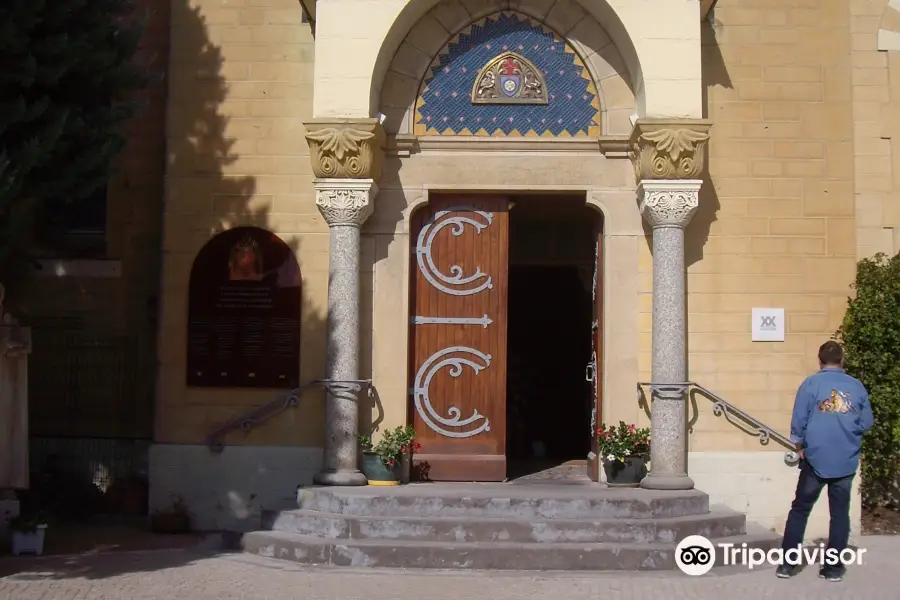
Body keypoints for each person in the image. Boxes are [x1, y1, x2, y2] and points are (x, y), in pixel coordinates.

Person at [776, 341, 873, 582]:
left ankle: (787, 565)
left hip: (814, 458)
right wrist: (850, 432)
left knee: (800, 510)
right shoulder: (856, 386)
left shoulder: (810, 384)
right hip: (845, 459)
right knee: (839, 514)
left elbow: (799, 420)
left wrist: (799, 445)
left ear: (819, 361)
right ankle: (833, 569)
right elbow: (867, 422)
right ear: (842, 360)